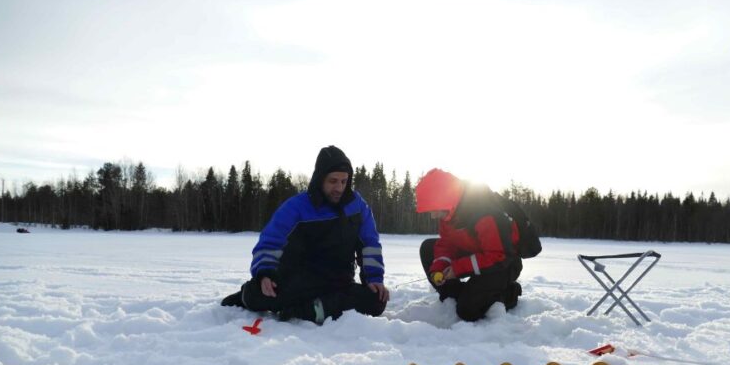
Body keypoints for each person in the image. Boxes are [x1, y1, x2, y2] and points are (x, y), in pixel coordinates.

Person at [221, 145, 389, 324]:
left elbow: (370, 244)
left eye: (343, 181)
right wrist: (265, 274)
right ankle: (250, 295)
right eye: (333, 181)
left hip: (339, 282)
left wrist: (374, 278)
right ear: (320, 179)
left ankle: (307, 311)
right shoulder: (296, 207)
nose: (339, 188)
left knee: (376, 301)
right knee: (257, 295)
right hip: (299, 281)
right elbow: (270, 243)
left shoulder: (357, 206)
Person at [415, 168, 523, 322]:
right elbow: (446, 244)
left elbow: (497, 255)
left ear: (445, 199)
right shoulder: (449, 214)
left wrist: (457, 269)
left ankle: (509, 293)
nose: (433, 215)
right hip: (477, 256)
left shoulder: (486, 214)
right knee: (428, 248)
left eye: (434, 209)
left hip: (503, 264)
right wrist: (439, 267)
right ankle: (457, 296)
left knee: (467, 311)